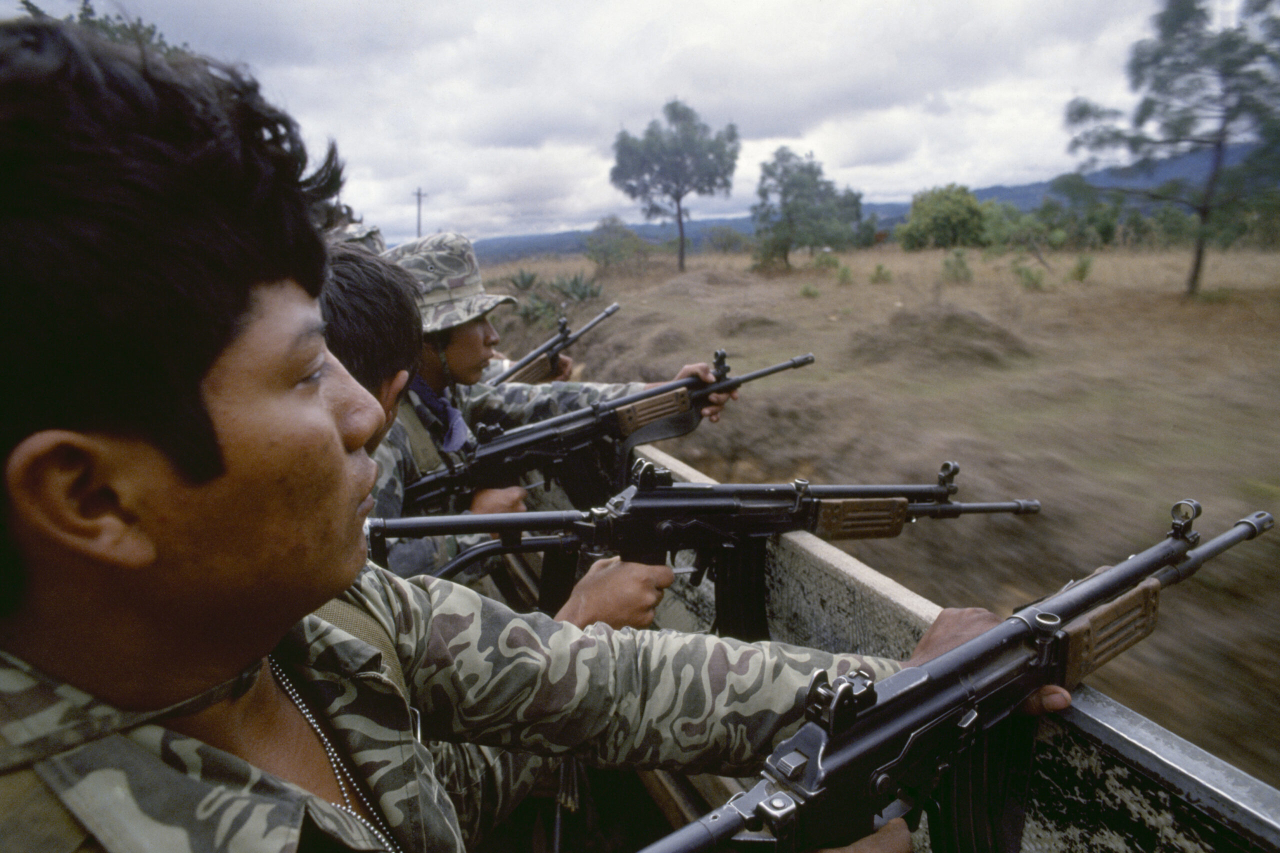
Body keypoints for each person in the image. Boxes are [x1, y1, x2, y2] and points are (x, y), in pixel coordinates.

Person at [0, 19, 1068, 853]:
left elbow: (588, 681)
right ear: (91, 498)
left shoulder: (305, 612)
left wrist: (877, 691)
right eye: (299, 371)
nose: (365, 408)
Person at [374, 231, 737, 601]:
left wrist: (666, 393)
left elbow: (548, 401)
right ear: (431, 336)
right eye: (477, 320)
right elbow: (363, 578)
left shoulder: (444, 396)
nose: (493, 336)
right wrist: (479, 531)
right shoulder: (386, 432)